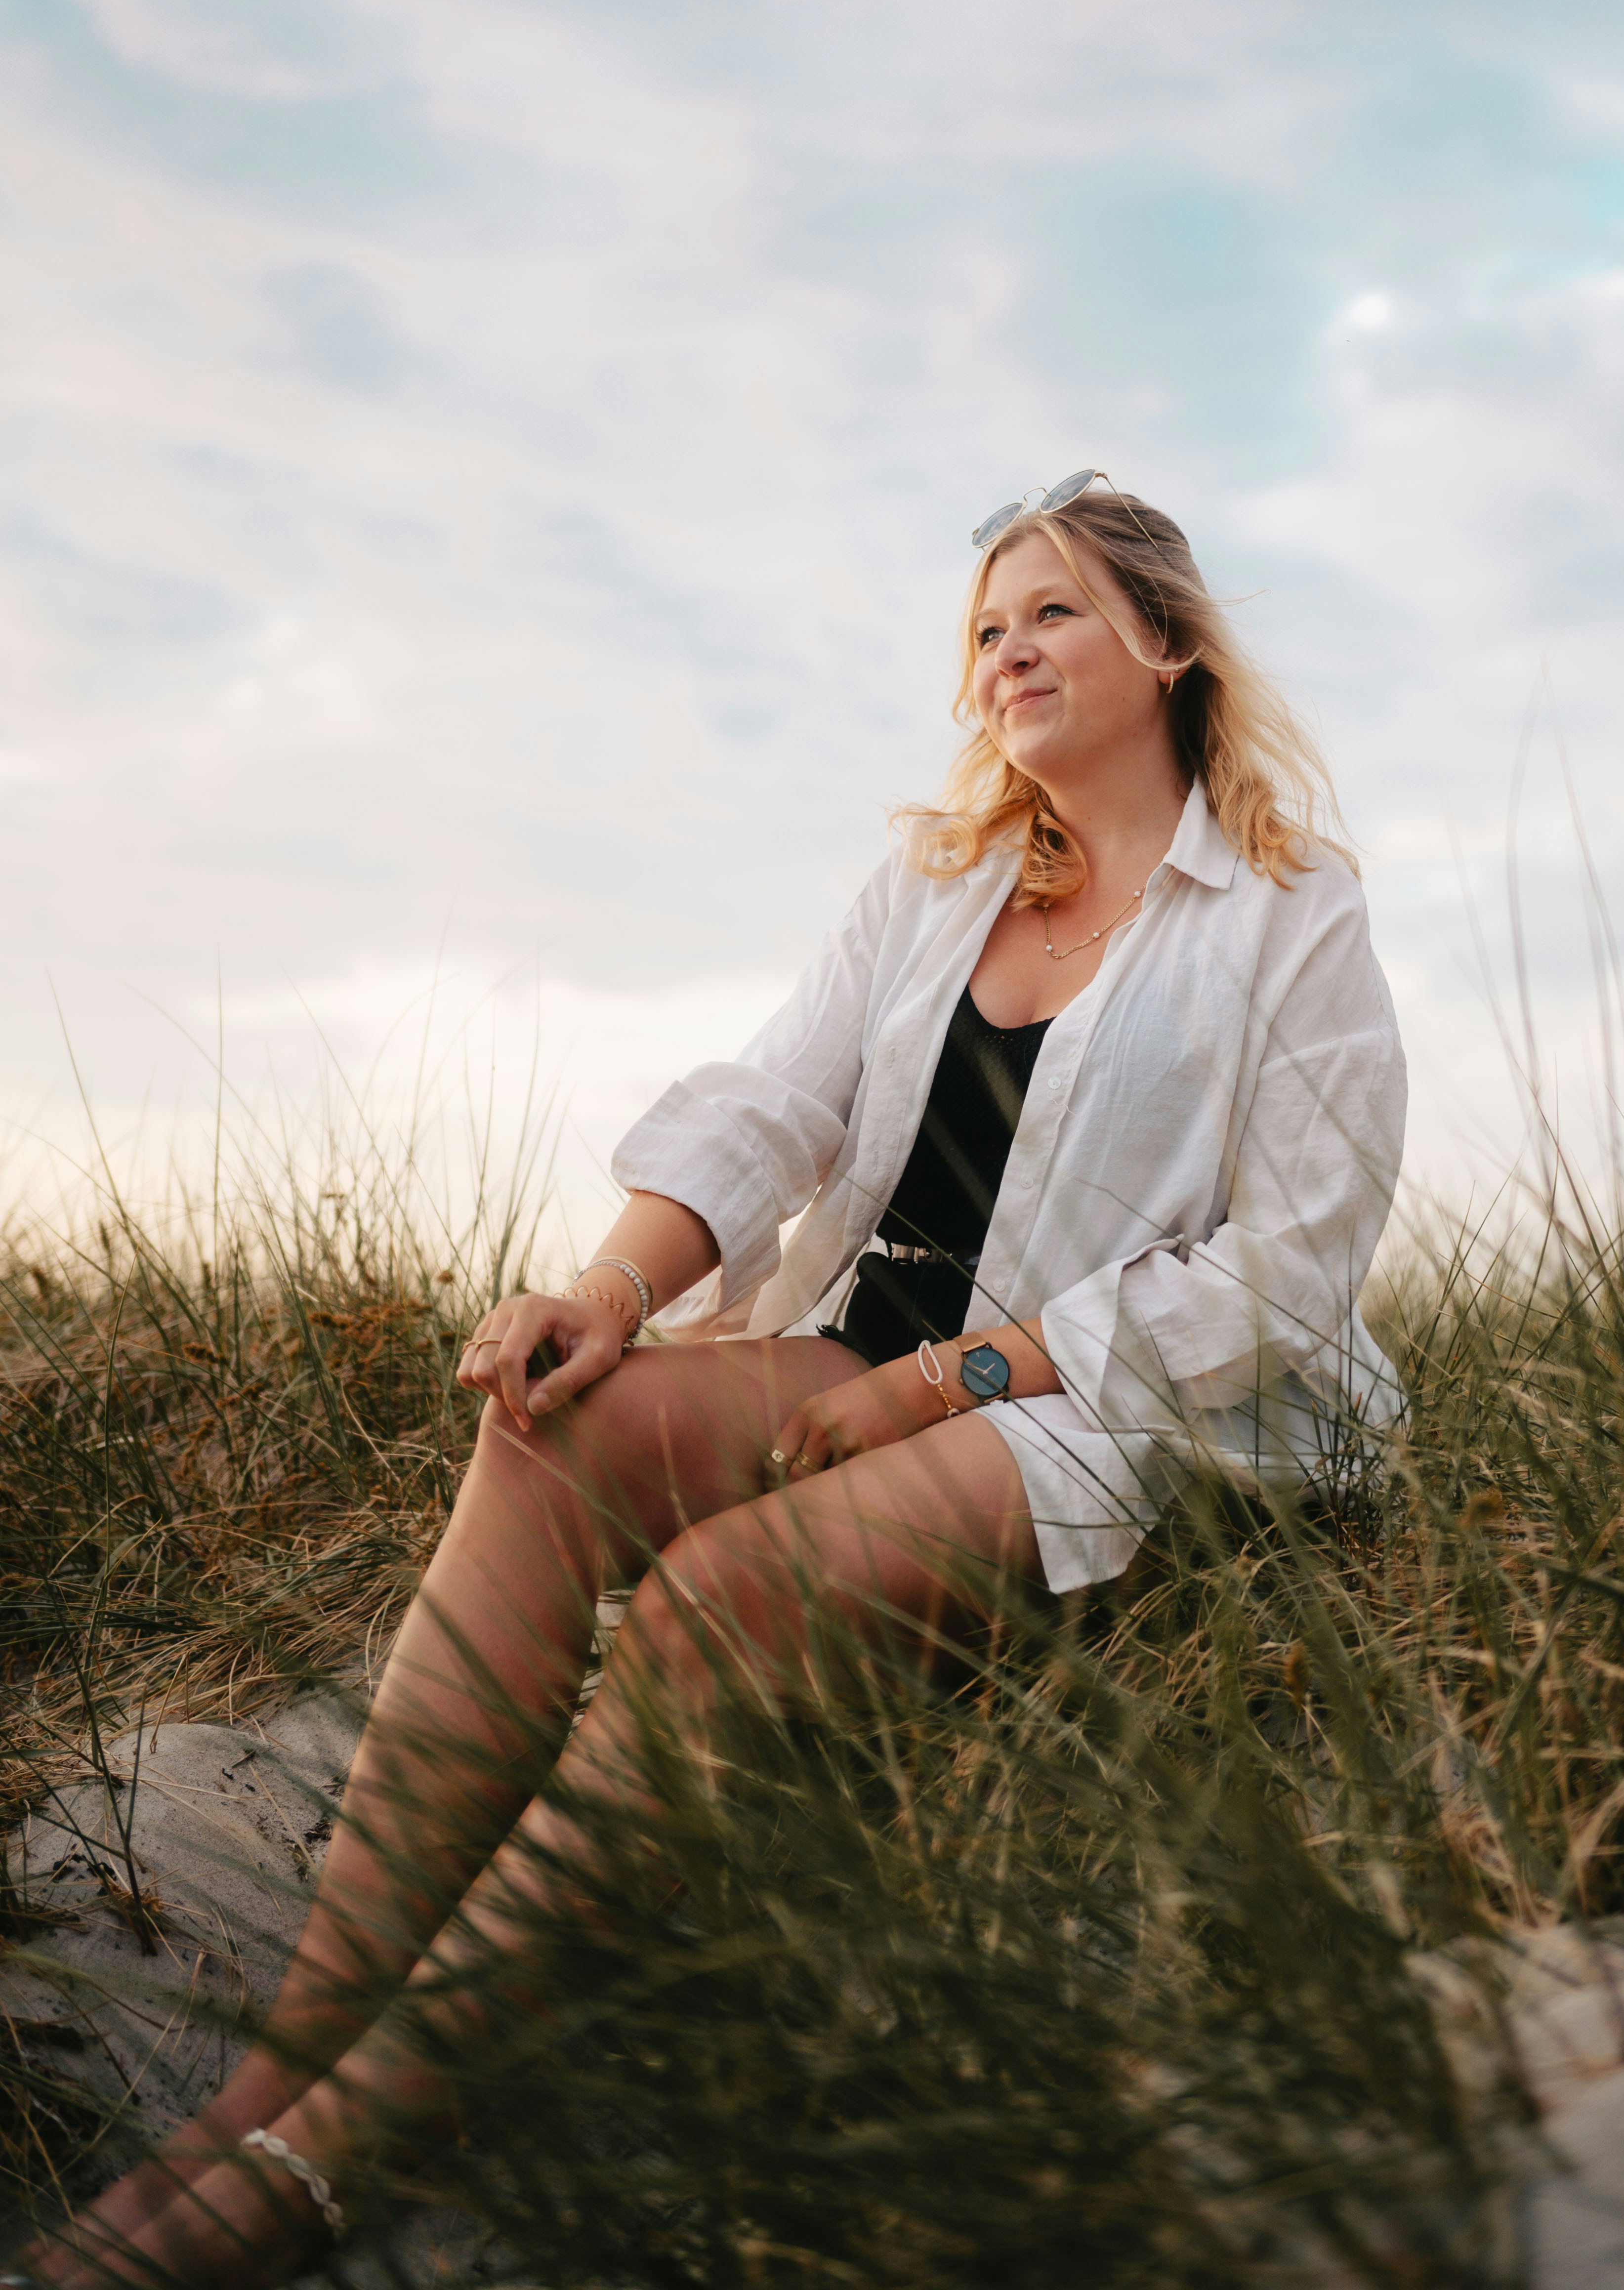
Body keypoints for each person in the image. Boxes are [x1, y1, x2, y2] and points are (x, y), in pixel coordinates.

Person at [25, 477, 1406, 2290]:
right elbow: (779, 1102)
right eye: (987, 628)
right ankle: (286, 2065)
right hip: (870, 1336)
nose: (1008, 651)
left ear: (1164, 638)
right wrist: (609, 1288)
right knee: (555, 1432)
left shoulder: (1288, 913)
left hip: (1128, 1409)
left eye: (1051, 612)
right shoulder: (937, 885)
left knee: (721, 1593)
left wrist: (957, 1385)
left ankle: (358, 2137)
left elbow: (1293, 1259)